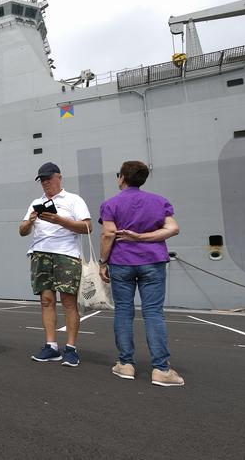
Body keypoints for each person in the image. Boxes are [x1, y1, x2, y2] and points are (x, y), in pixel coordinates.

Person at [99, 160, 184, 387]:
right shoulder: (159, 201)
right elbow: (173, 229)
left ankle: (125, 364)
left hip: (121, 262)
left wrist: (103, 262)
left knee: (124, 312)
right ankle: (161, 369)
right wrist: (143, 237)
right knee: (154, 313)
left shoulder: (111, 204)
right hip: (153, 261)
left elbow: (108, 234)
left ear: (122, 178)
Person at [19, 162, 92, 367]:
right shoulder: (36, 202)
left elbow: (88, 226)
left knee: (68, 302)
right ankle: (51, 346)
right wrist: (30, 220)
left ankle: (70, 348)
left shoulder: (74, 200)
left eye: (48, 179)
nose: (45, 183)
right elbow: (22, 231)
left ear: (59, 177)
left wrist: (59, 220)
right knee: (46, 301)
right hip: (40, 254)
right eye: (42, 180)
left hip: (66, 255)